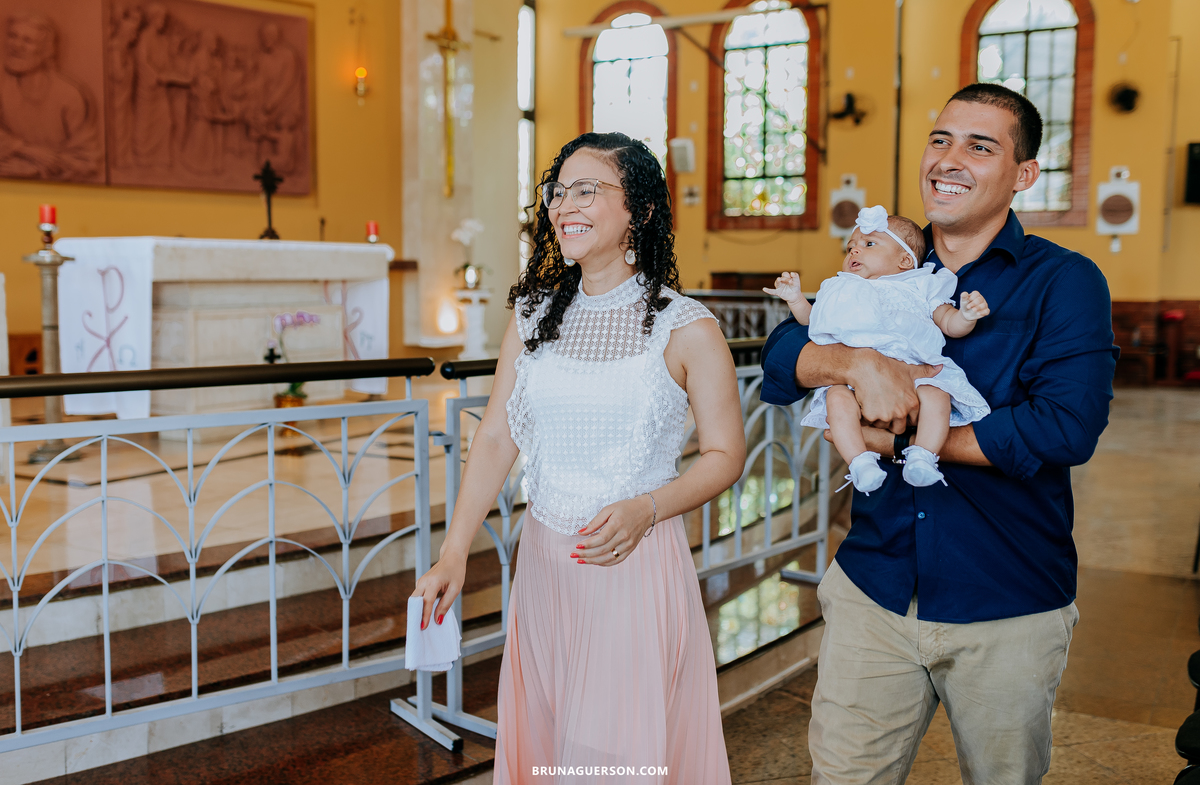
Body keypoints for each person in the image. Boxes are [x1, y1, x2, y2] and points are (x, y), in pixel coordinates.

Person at [760, 83, 1118, 783]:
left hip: (1004, 597)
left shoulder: (1064, 282)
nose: (949, 159)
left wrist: (901, 439)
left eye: (980, 146)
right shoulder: (886, 268)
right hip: (874, 584)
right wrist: (854, 361)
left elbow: (1065, 427)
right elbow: (782, 354)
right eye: (940, 140)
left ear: (1023, 175)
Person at [412, 132, 744, 784]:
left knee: (616, 758)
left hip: (631, 565)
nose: (566, 203)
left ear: (640, 211)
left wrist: (649, 508)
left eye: (587, 189)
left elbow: (726, 454)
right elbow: (498, 438)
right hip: (544, 563)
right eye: (558, 190)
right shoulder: (533, 316)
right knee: (550, 740)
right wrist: (454, 548)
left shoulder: (687, 327)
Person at [763, 205, 991, 493]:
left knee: (938, 393)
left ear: (905, 261)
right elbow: (814, 322)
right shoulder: (841, 288)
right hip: (853, 381)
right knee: (837, 399)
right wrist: (795, 299)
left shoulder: (920, 285)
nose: (854, 251)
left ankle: (923, 455)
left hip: (918, 368)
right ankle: (860, 463)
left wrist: (966, 316)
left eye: (869, 244)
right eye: (850, 248)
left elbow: (947, 322)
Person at [0, 12, 102, 181]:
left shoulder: (69, 96)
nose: (16, 46)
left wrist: (35, 170)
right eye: (13, 36)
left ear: (46, 50)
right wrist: (25, 149)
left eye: (27, 40)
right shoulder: (3, 88)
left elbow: (88, 162)